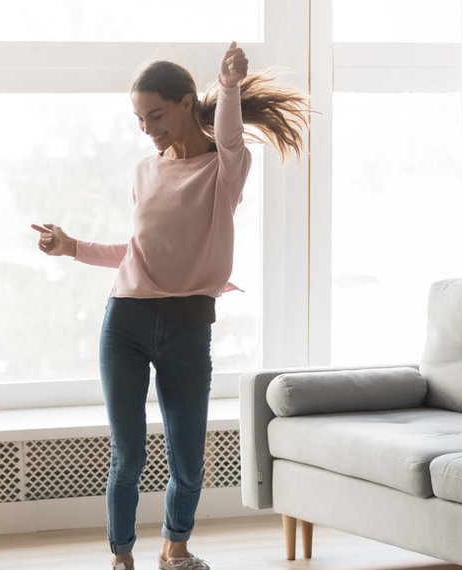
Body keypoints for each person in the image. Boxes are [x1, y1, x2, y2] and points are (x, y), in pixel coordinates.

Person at [31, 42, 309, 570]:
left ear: (186, 103)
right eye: (139, 118)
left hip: (187, 328)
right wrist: (72, 248)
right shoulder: (145, 171)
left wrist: (227, 85)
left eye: (155, 114)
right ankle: (121, 559)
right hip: (126, 322)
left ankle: (174, 549)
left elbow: (227, 133)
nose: (147, 128)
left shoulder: (225, 169)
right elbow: (137, 251)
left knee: (187, 458)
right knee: (128, 455)